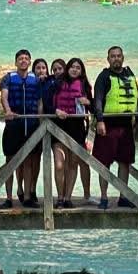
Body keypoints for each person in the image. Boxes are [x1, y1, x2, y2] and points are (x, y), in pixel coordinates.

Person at [93, 45, 138, 210]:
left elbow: (137, 99)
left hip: (126, 126)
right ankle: (104, 197)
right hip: (108, 125)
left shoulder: (129, 75)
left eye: (119, 56)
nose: (116, 59)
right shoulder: (103, 77)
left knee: (125, 162)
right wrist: (99, 121)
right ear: (108, 59)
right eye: (113, 56)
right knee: (104, 162)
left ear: (123, 58)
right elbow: (97, 99)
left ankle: (123, 195)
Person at [0, 49, 43, 209]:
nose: (23, 61)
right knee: (10, 161)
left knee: (27, 162)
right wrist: (8, 111)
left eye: (26, 58)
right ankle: (9, 197)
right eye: (20, 58)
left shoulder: (36, 80)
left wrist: (39, 119)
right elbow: (4, 96)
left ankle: (26, 197)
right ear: (16, 62)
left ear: (30, 62)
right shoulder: (9, 78)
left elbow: (39, 101)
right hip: (14, 125)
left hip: (31, 125)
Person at [50, 57, 92, 207]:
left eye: (78, 67)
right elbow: (48, 101)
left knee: (73, 164)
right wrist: (55, 110)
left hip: (77, 128)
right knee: (59, 164)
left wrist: (89, 102)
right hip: (58, 127)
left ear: (81, 71)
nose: (75, 69)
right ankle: (59, 197)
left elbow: (93, 106)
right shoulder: (58, 82)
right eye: (72, 67)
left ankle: (67, 198)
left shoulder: (85, 85)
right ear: (68, 68)